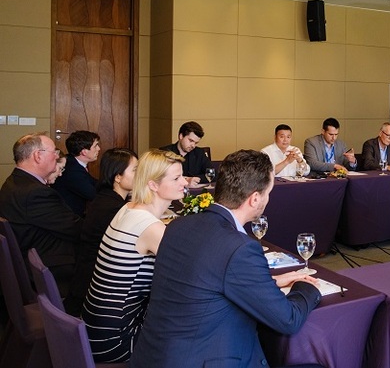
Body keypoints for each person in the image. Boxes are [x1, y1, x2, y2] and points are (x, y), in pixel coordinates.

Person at [129, 149, 322, 368]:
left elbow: (205, 279)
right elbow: (288, 320)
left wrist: (270, 283)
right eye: (269, 192)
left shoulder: (177, 226)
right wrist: (307, 289)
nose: (268, 199)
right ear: (255, 198)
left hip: (153, 357)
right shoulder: (240, 247)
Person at [82, 149, 186, 362]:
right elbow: (191, 273)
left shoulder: (127, 208)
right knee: (195, 331)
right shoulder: (150, 227)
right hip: (115, 339)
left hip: (94, 327)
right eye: (176, 178)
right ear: (153, 185)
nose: (184, 182)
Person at [0, 133, 81, 293]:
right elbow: (75, 229)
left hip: (32, 257)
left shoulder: (13, 182)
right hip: (47, 268)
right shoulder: (35, 192)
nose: (57, 157)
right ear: (38, 155)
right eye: (54, 153)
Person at [66, 148, 137, 316]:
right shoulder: (113, 209)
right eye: (135, 170)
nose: (140, 175)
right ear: (118, 177)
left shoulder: (106, 198)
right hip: (93, 293)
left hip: (86, 279)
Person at [53, 130, 100, 217]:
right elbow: (93, 194)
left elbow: (94, 182)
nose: (99, 149)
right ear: (84, 152)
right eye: (95, 146)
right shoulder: (72, 170)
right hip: (68, 219)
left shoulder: (73, 162)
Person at [160, 121, 211, 187]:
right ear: (181, 136)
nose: (193, 145)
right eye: (191, 140)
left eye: (196, 143)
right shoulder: (164, 152)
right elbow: (160, 176)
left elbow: (211, 174)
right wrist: (186, 179)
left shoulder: (199, 153)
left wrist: (193, 179)